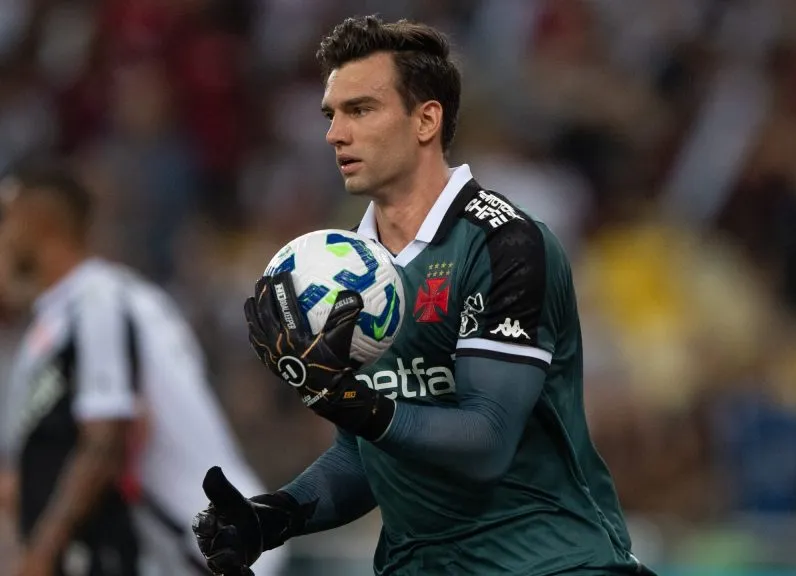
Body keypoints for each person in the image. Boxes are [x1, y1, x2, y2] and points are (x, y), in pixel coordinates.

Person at [192, 15, 656, 576]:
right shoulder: (347, 269)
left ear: (426, 120)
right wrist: (277, 517)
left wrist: (340, 399)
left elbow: (485, 441)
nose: (335, 133)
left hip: (551, 562)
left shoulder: (504, 243)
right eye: (331, 114)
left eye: (360, 110)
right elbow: (364, 454)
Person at [0, 160, 286, 576]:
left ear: (39, 221)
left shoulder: (99, 301)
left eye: (5, 217)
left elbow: (107, 440)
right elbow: (24, 476)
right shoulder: (59, 321)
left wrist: (41, 555)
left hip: (210, 549)